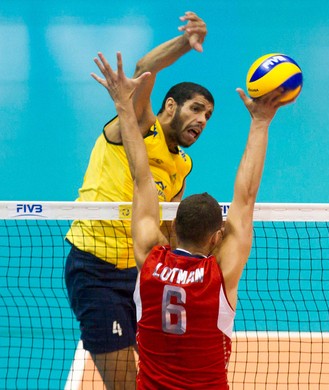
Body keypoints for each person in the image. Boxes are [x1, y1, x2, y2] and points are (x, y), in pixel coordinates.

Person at [91, 50, 288, 388]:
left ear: (173, 227)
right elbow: (246, 197)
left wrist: (123, 105)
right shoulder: (219, 275)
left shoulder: (150, 260)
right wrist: (260, 122)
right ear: (217, 237)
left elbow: (141, 177)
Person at [64, 11, 211, 388]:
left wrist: (191, 264)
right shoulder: (139, 127)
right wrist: (185, 42)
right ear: (170, 106)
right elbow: (145, 66)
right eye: (196, 108)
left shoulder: (182, 164)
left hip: (141, 275)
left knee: (158, 374)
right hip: (95, 270)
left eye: (208, 116)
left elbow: (165, 223)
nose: (202, 120)